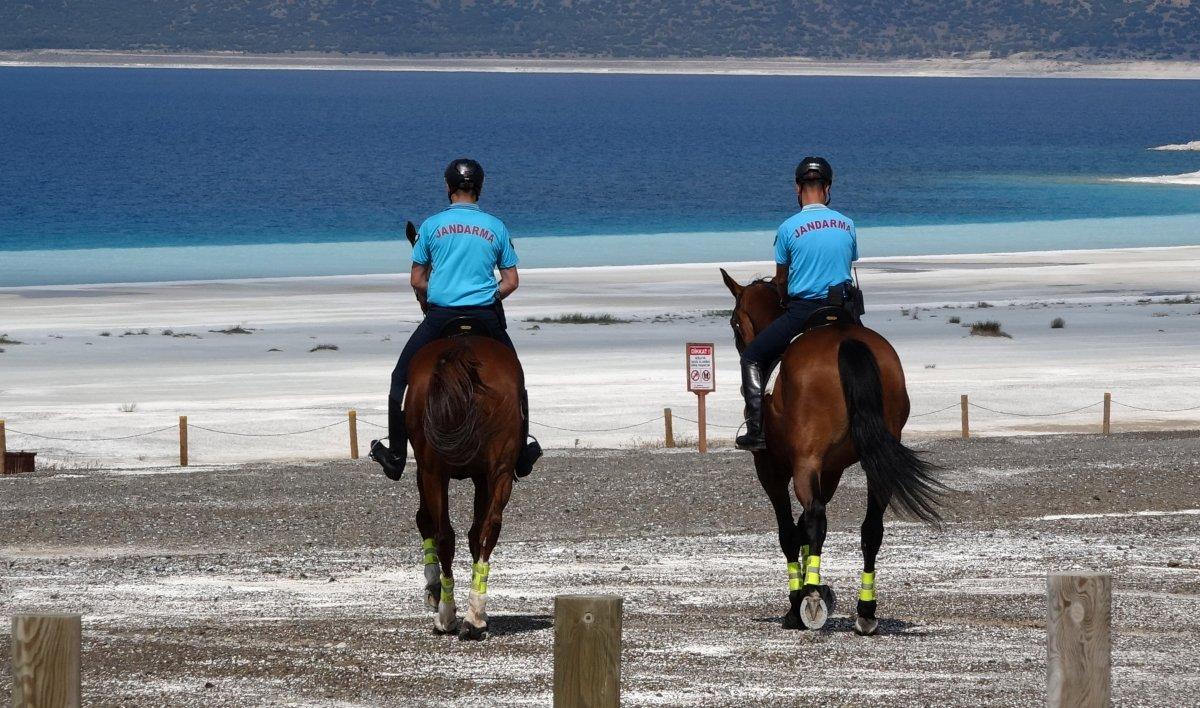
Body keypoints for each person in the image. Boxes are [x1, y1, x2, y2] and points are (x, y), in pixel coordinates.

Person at [370, 158, 541, 479]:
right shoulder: (496, 227)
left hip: (441, 317)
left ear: (448, 187)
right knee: (515, 378)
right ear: (479, 188)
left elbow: (417, 280)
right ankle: (519, 456)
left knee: (399, 378)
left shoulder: (432, 227)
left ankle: (395, 456)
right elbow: (511, 281)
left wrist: (440, 291)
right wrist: (488, 296)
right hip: (485, 317)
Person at [735, 156, 858, 451]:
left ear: (797, 188)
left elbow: (781, 280)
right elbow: (848, 261)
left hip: (804, 312)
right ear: (827, 188)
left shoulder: (788, 228)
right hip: (843, 309)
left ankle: (756, 429)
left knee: (751, 356)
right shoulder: (847, 224)